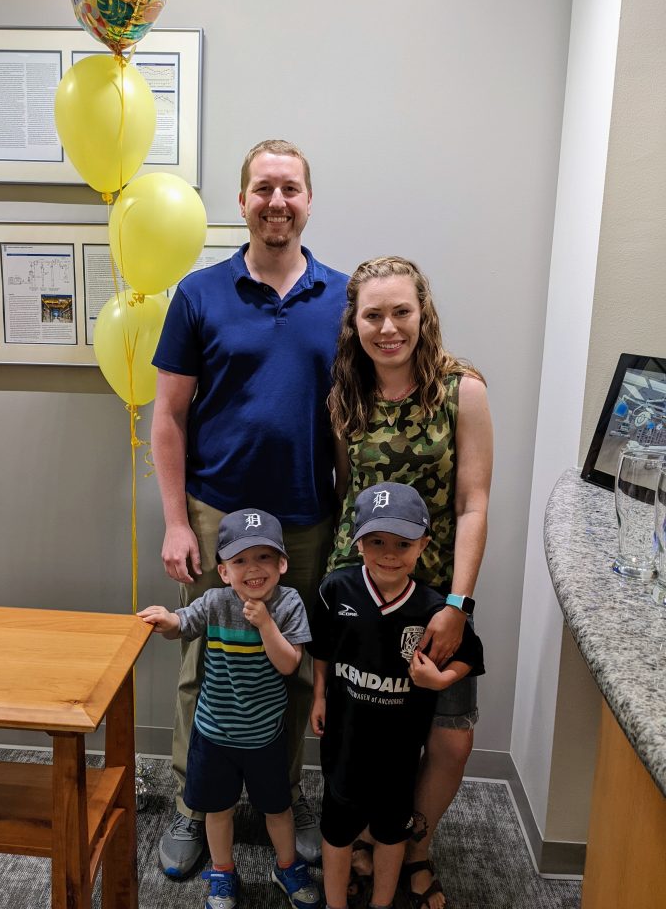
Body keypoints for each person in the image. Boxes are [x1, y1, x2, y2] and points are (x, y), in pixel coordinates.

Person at [151, 139, 348, 876]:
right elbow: (168, 416)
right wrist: (176, 521)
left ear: (308, 201)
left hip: (306, 518)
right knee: (204, 658)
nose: (277, 202)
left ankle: (281, 795)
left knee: (291, 664)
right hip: (215, 515)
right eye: (263, 188)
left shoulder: (343, 298)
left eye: (290, 189)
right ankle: (193, 803)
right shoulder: (199, 295)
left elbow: (356, 416)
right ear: (241, 202)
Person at [327, 256, 493, 909]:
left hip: (438, 595)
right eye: (373, 315)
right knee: (368, 736)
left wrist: (457, 603)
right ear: (356, 323)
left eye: (401, 311)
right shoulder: (345, 395)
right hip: (363, 592)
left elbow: (474, 503)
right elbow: (346, 495)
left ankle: (416, 844)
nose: (388, 327)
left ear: (423, 313)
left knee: (450, 739)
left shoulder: (462, 391)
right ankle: (368, 837)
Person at [309, 482, 484, 909]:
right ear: (358, 542)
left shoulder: (432, 608)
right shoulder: (336, 590)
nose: (389, 553)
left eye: (402, 543)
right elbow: (322, 651)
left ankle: (382, 903)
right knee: (337, 832)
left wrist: (440, 681)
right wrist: (319, 697)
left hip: (399, 753)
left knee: (391, 835)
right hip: (344, 748)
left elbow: (470, 654)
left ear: (423, 545)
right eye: (377, 541)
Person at [139, 508, 322, 909]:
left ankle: (286, 867)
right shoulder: (215, 601)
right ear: (223, 571)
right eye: (240, 560)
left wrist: (266, 624)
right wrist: (167, 620)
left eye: (264, 557)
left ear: (282, 564)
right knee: (218, 810)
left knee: (278, 809)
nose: (253, 569)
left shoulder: (289, 603)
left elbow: (289, 664)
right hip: (213, 735)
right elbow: (183, 623)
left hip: (265, 737)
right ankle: (223, 872)